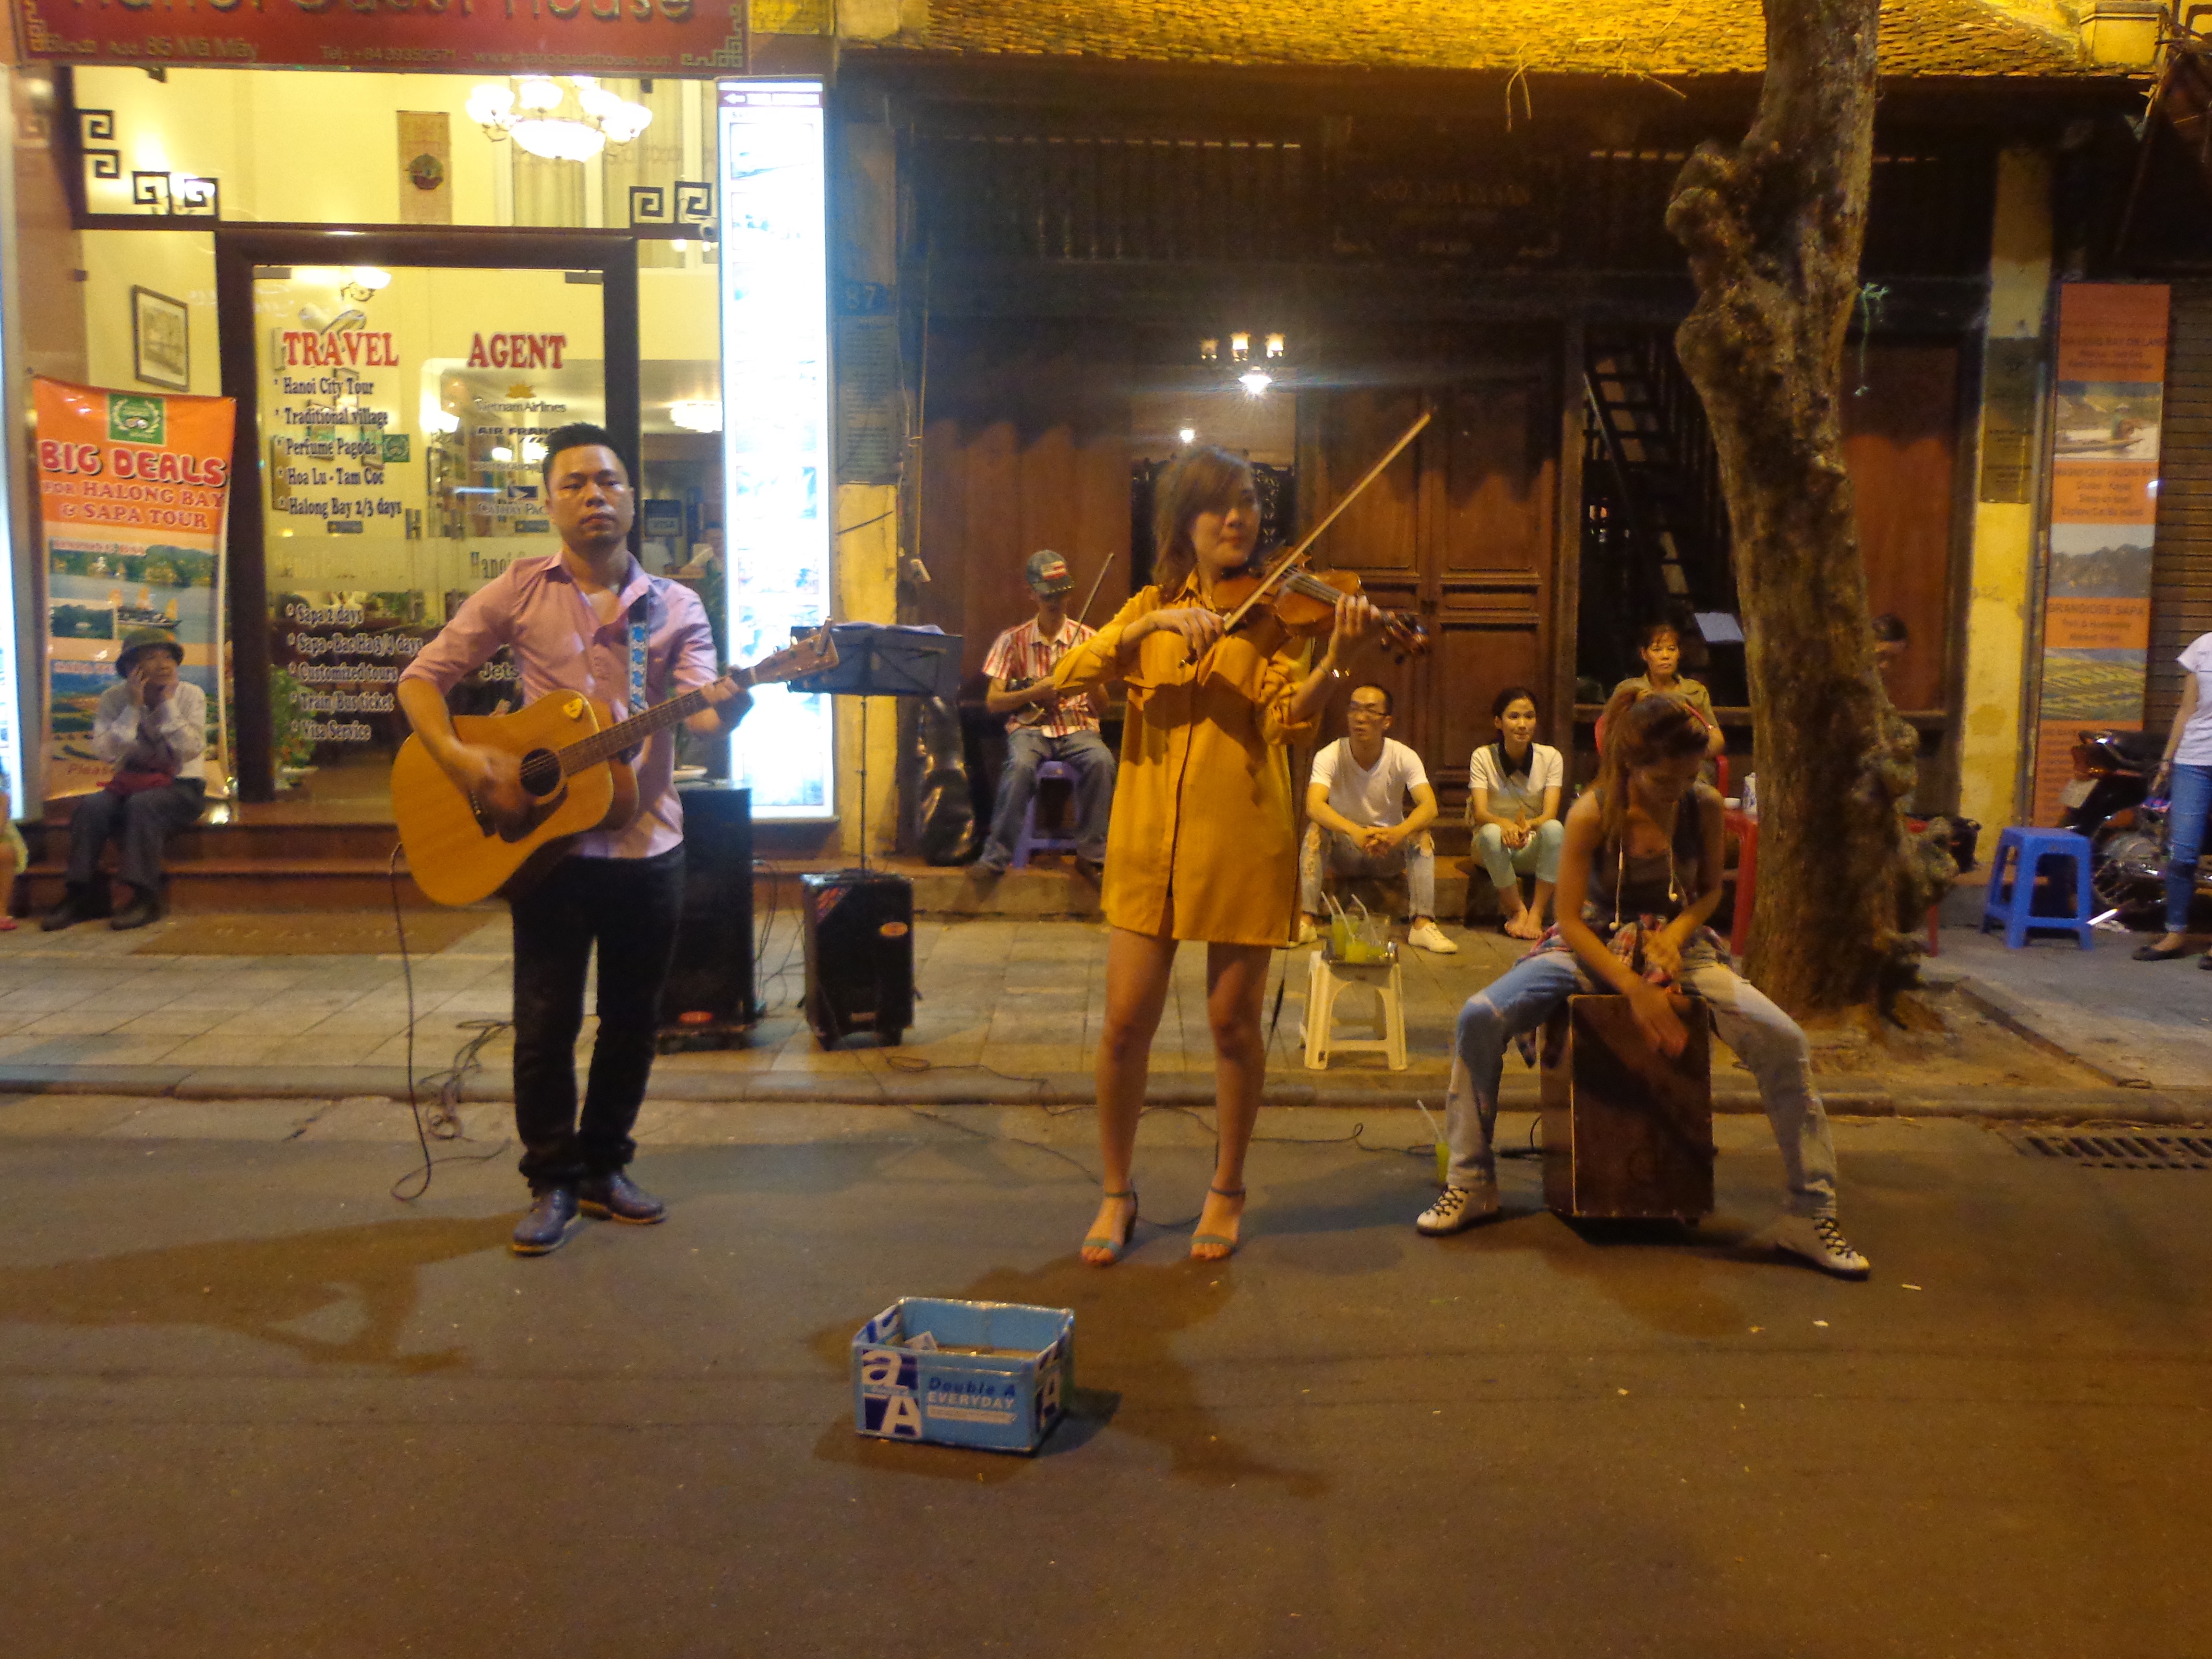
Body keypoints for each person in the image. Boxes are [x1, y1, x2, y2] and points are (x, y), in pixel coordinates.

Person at [397, 422, 753, 1257]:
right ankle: (550, 1179)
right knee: (544, 1021)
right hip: (545, 849)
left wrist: (730, 705)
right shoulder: (518, 590)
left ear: (632, 497)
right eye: (575, 484)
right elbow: (421, 680)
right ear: (549, 502)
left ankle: (604, 1168)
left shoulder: (677, 605)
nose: (595, 495)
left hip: (648, 844)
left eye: (610, 481)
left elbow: (699, 708)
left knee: (632, 1019)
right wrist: (461, 762)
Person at [1053, 444, 1382, 1266]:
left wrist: (1335, 662)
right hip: (1146, 845)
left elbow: (1286, 721)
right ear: (1184, 524)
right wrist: (1153, 623)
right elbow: (1068, 672)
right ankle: (1115, 1191)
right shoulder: (1146, 607)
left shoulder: (1276, 614)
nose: (1237, 519)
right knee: (1124, 1024)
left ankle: (1227, 1188)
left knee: (1232, 1024)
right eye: (1217, 506)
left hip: (1240, 834)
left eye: (1246, 504)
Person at [1415, 688, 1871, 1279]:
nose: (1678, 791)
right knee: (1479, 1015)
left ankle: (1811, 1213)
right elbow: (1571, 921)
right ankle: (1471, 1181)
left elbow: (1709, 891)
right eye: (1665, 781)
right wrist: (1634, 989)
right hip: (1593, 944)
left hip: (1678, 946)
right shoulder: (1590, 812)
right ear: (1631, 765)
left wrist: (1676, 936)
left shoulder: (1701, 804)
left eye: (1689, 777)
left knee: (1785, 1039)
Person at [43, 627, 207, 932]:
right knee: (92, 807)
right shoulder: (113, 699)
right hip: (129, 784)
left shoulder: (190, 695)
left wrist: (168, 704)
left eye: (168, 657)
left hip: (182, 787)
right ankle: (82, 895)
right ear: (132, 668)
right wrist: (133, 708)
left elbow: (190, 749)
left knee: (143, 806)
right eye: (151, 657)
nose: (163, 664)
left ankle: (146, 897)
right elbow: (106, 752)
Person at [975, 549, 1116, 877]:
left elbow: (1103, 706)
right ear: (1031, 593)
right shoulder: (1012, 641)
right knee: (1021, 765)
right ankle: (996, 858)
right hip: (1030, 729)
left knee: (1102, 762)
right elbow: (994, 701)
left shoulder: (1088, 639)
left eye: (1062, 594)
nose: (1056, 602)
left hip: (1078, 726)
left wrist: (1089, 676)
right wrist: (1034, 693)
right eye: (1047, 594)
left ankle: (1092, 854)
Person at [1296, 683, 1455, 954]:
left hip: (1387, 850)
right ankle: (1306, 918)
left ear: (1387, 721)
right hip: (1345, 849)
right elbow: (1314, 805)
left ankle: (1422, 923)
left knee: (1421, 833)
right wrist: (1353, 832)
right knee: (1315, 830)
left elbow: (1429, 806)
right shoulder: (1330, 754)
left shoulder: (1403, 756)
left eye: (1371, 712)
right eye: (1354, 709)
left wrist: (1398, 833)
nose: (1360, 718)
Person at [2133, 629, 2212, 965]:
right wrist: (2167, 759)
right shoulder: (2203, 647)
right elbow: (2186, 709)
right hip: (2193, 762)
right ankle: (2175, 932)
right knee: (2182, 852)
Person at [1468, 685, 1565, 941]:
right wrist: (1504, 825)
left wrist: (1527, 827)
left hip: (1529, 844)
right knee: (1490, 833)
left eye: (1529, 717)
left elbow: (1550, 814)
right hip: (1491, 846)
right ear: (1498, 722)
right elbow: (1480, 812)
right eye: (1514, 717)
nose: (1523, 724)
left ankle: (1537, 913)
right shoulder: (1482, 756)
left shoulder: (1551, 757)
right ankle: (1518, 910)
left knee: (1555, 830)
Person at [1611, 619, 1725, 760]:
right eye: (1657, 650)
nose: (1665, 656)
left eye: (1671, 649)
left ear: (1679, 653)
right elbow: (1612, 738)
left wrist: (1693, 756)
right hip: (1641, 765)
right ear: (1644, 654)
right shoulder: (1629, 689)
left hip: (1689, 765)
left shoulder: (1695, 691)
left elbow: (1715, 737)